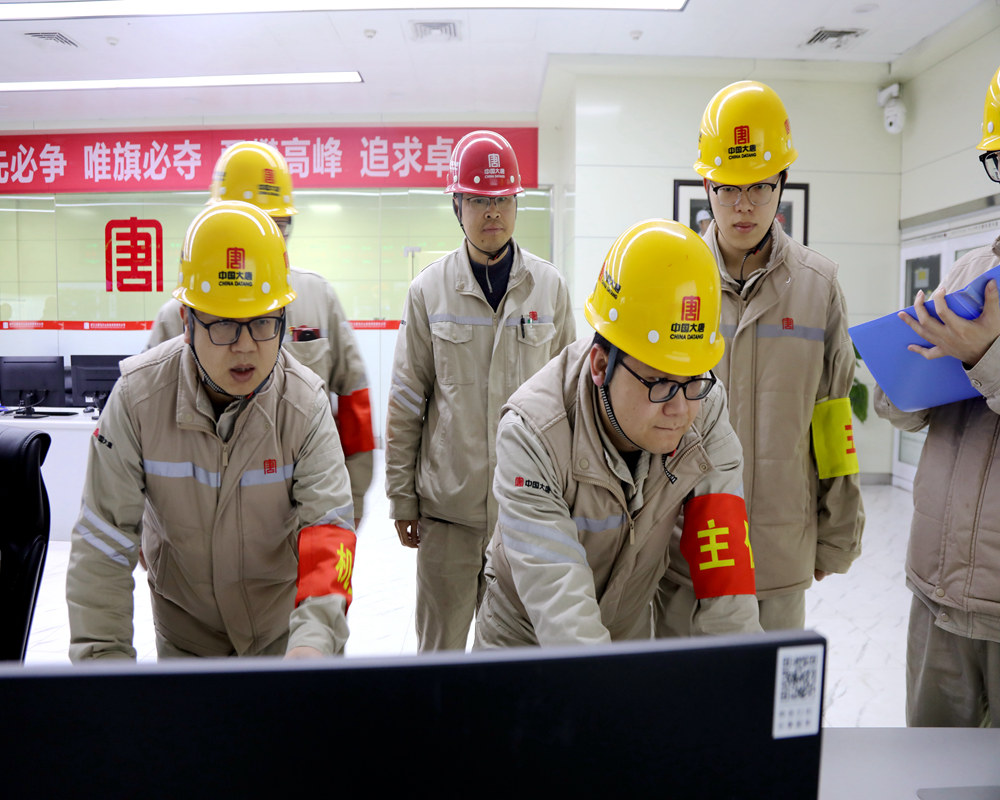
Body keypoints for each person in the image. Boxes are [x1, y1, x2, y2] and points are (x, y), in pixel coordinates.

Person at [67, 201, 356, 660]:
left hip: (281, 633)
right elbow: (103, 540)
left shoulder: (304, 405)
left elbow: (328, 531)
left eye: (263, 322)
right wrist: (104, 661)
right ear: (187, 322)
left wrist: (313, 645)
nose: (245, 347)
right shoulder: (138, 400)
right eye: (223, 324)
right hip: (186, 634)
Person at [475, 219, 761, 647]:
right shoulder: (532, 435)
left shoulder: (705, 406)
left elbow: (726, 570)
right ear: (600, 365)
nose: (680, 409)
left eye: (693, 379)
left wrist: (743, 666)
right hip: (523, 639)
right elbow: (561, 607)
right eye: (659, 382)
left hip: (626, 628)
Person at [655, 81, 864, 634]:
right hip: (684, 548)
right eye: (728, 188)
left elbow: (832, 416)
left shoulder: (818, 287)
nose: (744, 205)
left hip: (779, 547)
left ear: (782, 183)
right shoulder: (673, 279)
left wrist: (838, 529)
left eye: (760, 186)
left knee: (768, 687)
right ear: (707, 185)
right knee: (680, 683)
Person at [385, 130, 575, 652]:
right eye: (478, 200)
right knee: (440, 654)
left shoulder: (549, 289)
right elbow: (407, 400)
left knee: (513, 660)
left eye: (503, 200)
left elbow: (572, 401)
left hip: (525, 514)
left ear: (516, 204)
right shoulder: (428, 291)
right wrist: (402, 497)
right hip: (449, 515)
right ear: (457, 206)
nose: (492, 212)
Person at [148, 141, 374, 527]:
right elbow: (147, 430)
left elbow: (354, 403)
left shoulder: (318, 298)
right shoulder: (180, 316)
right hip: (200, 526)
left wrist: (344, 508)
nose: (263, 240)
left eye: (277, 226)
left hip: (298, 520)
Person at [873, 64, 1000, 727]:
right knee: (926, 765)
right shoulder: (972, 273)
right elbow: (902, 412)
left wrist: (981, 355)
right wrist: (904, 372)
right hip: (937, 589)